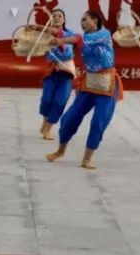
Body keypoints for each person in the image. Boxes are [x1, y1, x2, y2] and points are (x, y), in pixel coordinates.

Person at [46, 11, 122, 170]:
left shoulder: (104, 34)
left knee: (98, 122)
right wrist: (40, 28)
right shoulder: (82, 37)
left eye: (85, 20)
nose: (82, 23)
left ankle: (87, 158)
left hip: (107, 86)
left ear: (95, 21)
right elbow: (62, 32)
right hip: (89, 84)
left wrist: (60, 39)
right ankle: (60, 150)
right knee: (69, 118)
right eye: (81, 20)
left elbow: (75, 38)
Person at [38, 10, 75, 140]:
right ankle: (45, 120)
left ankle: (48, 128)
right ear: (50, 19)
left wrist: (57, 41)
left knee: (59, 102)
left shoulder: (69, 34)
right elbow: (38, 48)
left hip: (66, 71)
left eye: (60, 16)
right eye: (54, 16)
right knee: (46, 100)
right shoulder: (44, 35)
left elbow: (67, 53)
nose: (57, 18)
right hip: (51, 70)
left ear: (64, 20)